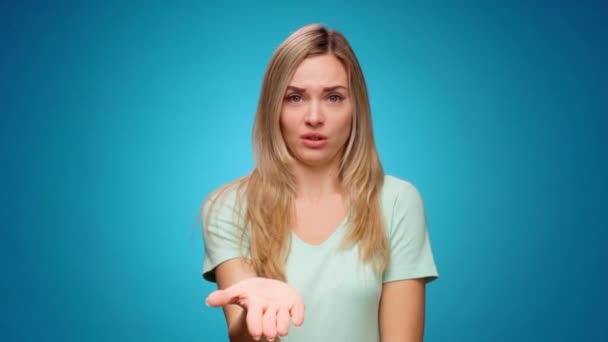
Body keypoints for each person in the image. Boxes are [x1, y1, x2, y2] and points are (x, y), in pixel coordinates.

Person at [200, 23, 439, 342]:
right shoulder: (227, 207)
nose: (314, 117)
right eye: (295, 97)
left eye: (334, 97)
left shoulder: (397, 201)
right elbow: (243, 338)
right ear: (274, 108)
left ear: (356, 109)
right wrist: (255, 311)